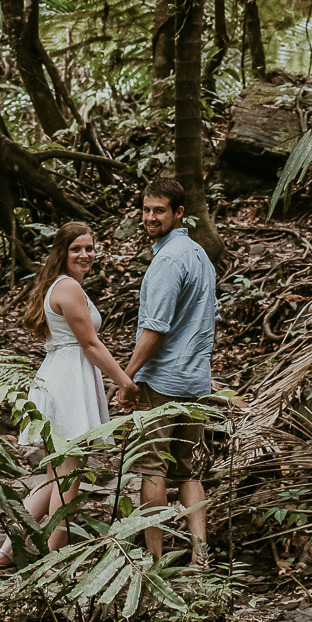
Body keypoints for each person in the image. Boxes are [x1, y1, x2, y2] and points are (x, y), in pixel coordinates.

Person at [0, 219, 138, 565]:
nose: (85, 254)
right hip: (69, 381)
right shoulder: (69, 288)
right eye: (77, 249)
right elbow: (90, 343)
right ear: (62, 252)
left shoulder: (60, 285)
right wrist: (124, 381)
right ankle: (52, 561)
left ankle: (6, 550)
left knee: (56, 473)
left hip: (62, 375)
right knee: (70, 472)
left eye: (89, 248)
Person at [116, 175, 219, 569]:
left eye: (159, 210)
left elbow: (154, 328)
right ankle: (200, 558)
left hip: (161, 381)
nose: (150, 217)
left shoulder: (168, 260)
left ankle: (153, 560)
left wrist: (128, 379)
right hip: (195, 380)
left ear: (179, 213)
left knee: (152, 467)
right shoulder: (200, 256)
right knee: (189, 470)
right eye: (146, 209)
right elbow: (210, 317)